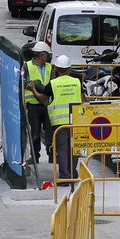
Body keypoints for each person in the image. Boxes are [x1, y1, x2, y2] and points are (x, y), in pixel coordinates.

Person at [43, 53, 82, 181]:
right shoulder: (77, 82)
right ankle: (72, 173)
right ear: (69, 69)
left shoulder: (52, 84)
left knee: (62, 149)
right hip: (76, 120)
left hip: (59, 122)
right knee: (74, 148)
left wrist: (33, 89)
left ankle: (65, 176)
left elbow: (42, 99)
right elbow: (83, 99)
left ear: (56, 69)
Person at [24, 41, 55, 165]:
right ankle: (35, 156)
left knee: (50, 132)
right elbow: (24, 82)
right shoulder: (27, 66)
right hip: (33, 105)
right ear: (41, 55)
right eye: (46, 55)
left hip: (47, 104)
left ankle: (51, 154)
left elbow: (52, 83)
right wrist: (33, 86)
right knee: (35, 132)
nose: (48, 57)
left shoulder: (49, 67)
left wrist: (41, 88)